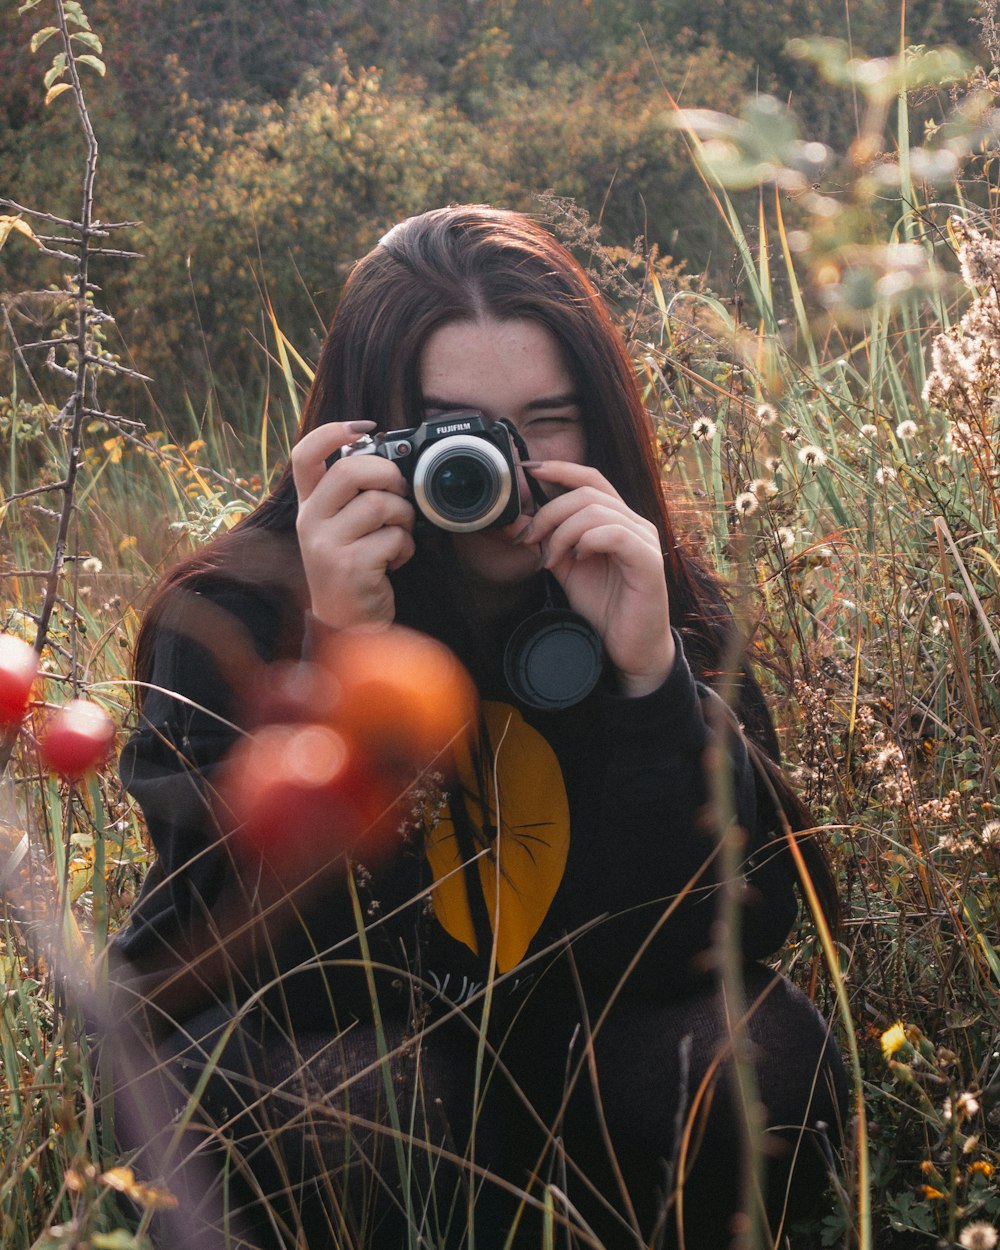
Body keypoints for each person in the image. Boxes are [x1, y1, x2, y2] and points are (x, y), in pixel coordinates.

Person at [106, 204, 847, 1250]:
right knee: (364, 1097)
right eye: (452, 429)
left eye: (544, 421)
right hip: (337, 1061)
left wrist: (652, 683)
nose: (496, 469)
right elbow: (267, 978)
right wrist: (338, 657)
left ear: (600, 420)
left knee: (748, 1060)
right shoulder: (234, 616)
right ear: (365, 435)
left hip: (569, 1045)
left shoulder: (650, 588)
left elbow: (733, 937)